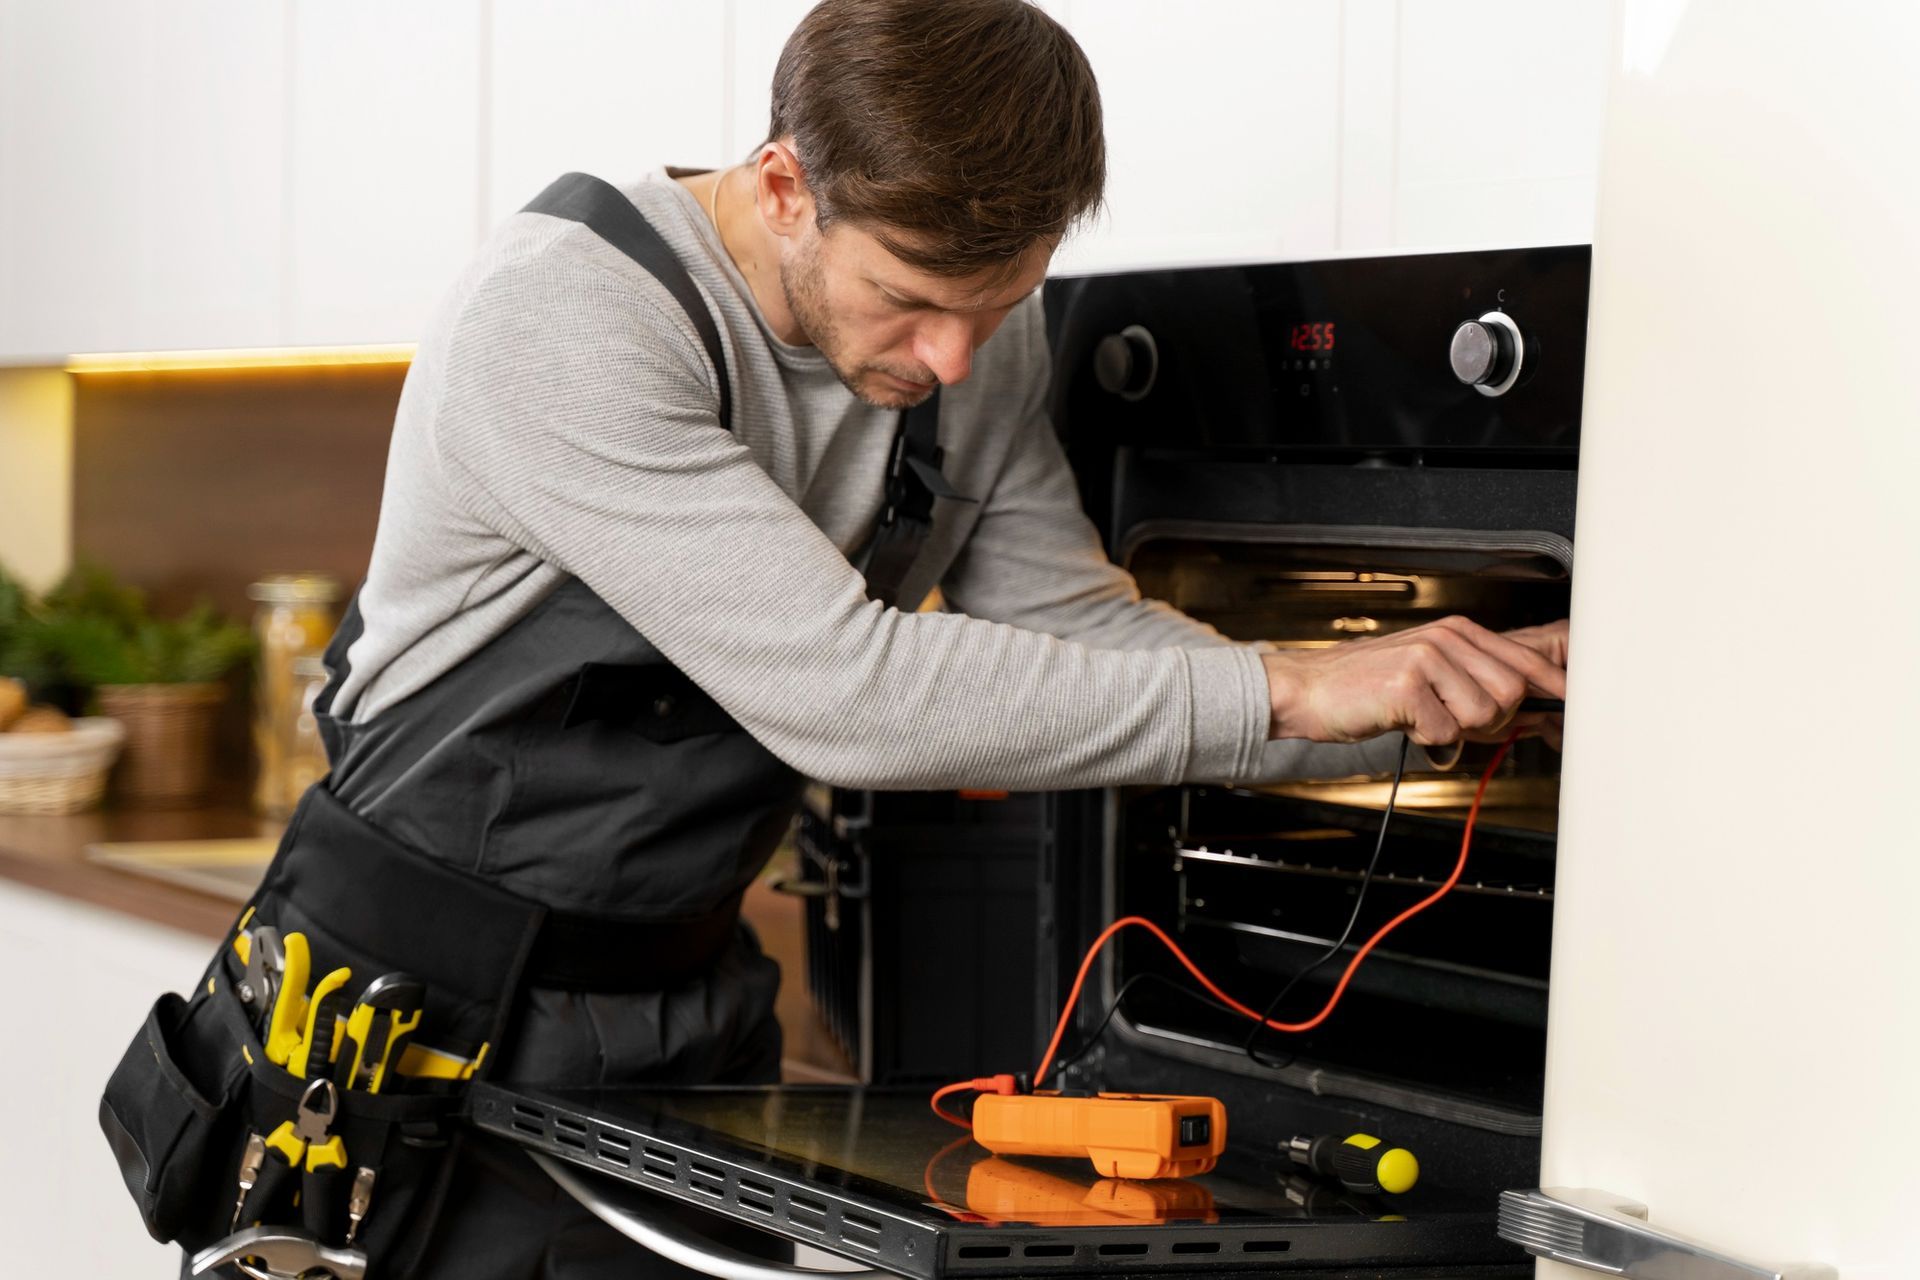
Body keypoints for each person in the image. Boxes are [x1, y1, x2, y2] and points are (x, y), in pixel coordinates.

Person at [279, 1, 1566, 1275]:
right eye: (908, 299)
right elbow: (848, 690)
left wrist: (1427, 703)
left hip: (689, 1003)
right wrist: (1289, 686)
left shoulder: (964, 349)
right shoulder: (565, 317)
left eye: (1000, 304)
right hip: (410, 1026)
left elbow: (1083, 626)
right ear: (784, 185)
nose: (953, 357)